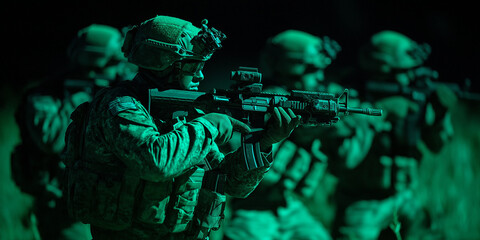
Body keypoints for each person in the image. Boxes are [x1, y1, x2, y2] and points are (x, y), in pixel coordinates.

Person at [62, 15, 301, 240]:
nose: (201, 75)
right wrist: (209, 125)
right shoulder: (119, 106)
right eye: (193, 66)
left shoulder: (184, 115)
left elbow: (229, 182)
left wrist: (264, 143)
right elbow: (155, 162)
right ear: (167, 64)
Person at [11, 24, 135, 240]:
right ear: (94, 65)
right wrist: (82, 98)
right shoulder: (47, 96)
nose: (121, 71)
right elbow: (52, 140)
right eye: (114, 63)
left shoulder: (117, 92)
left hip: (110, 203)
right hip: (65, 206)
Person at [330, 30, 457, 240]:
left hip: (404, 199)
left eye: (413, 71)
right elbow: (343, 159)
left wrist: (441, 114)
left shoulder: (415, 98)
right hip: (361, 204)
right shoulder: (348, 100)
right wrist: (381, 113)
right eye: (403, 71)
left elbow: (436, 146)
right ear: (381, 69)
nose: (409, 77)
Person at [223, 29, 344, 240]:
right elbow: (234, 154)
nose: (319, 77)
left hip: (290, 206)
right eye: (312, 70)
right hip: (254, 208)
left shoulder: (306, 107)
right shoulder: (260, 104)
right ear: (293, 67)